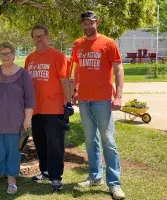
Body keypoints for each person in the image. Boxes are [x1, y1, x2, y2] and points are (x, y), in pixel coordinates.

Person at [70, 11, 126, 200]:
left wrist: (118, 96)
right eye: (84, 24)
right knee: (90, 140)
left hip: (103, 100)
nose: (87, 27)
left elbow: (118, 69)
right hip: (84, 100)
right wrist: (75, 91)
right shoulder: (78, 44)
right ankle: (95, 177)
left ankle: (114, 183)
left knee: (108, 140)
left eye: (90, 23)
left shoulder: (109, 43)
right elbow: (77, 68)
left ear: (97, 23)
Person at [0, 42, 35, 195]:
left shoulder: (23, 74)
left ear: (13, 54)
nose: (5, 56)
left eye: (8, 53)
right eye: (2, 53)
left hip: (15, 122)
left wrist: (27, 119)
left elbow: (30, 100)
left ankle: (12, 181)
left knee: (13, 152)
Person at [25, 24, 73, 191]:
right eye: (35, 36)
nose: (38, 39)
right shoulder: (30, 58)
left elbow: (65, 81)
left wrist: (68, 103)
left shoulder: (57, 56)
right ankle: (44, 171)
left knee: (55, 143)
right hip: (36, 108)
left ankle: (56, 176)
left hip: (54, 107)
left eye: (41, 36)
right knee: (40, 141)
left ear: (47, 36)